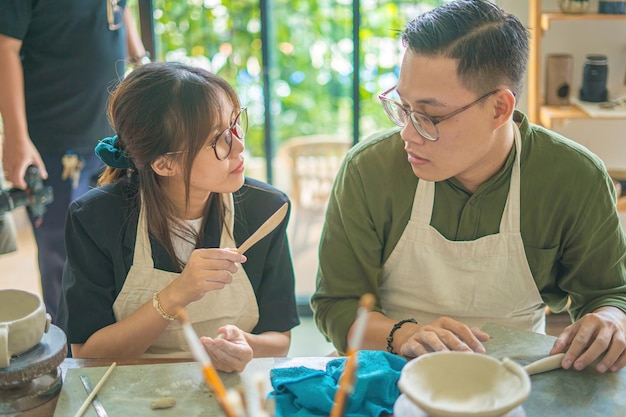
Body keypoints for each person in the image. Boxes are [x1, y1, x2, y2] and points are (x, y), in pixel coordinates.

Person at [311, 0, 626, 373]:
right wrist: (405, 335)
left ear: (498, 109)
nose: (409, 133)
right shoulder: (369, 170)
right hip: (389, 370)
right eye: (404, 106)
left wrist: (611, 320)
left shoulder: (575, 177)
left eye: (431, 116)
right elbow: (338, 304)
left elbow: (608, 294)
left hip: (519, 375)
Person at [57, 62, 299, 372]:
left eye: (235, 125)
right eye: (219, 139)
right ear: (164, 164)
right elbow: (88, 354)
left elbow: (279, 340)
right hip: (127, 393)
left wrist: (245, 345)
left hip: (229, 392)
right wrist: (177, 294)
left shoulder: (266, 209)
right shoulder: (95, 219)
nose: (239, 145)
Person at [0, 0, 149, 324]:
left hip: (112, 133)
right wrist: (15, 137)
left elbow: (120, 9)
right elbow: (4, 47)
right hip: (54, 139)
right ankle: (69, 353)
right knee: (64, 257)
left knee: (119, 244)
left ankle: (111, 344)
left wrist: (141, 64)